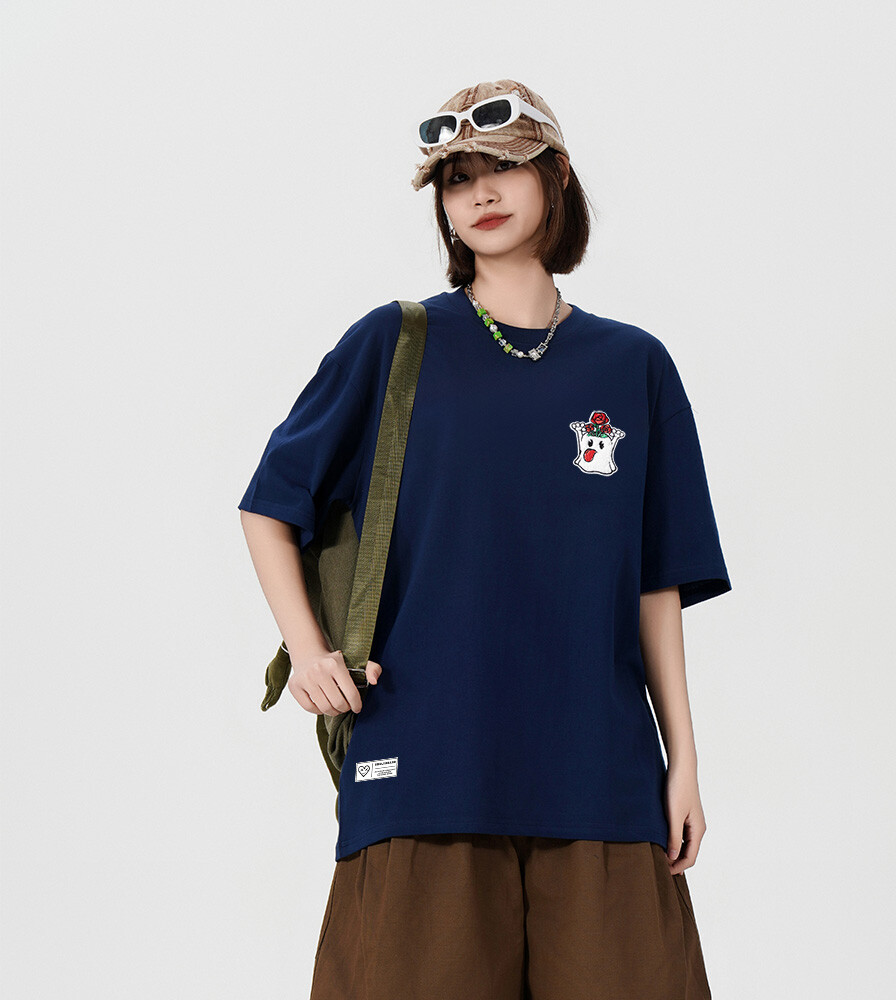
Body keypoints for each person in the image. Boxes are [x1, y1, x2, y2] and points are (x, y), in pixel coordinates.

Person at [238, 78, 732, 1000]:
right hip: (427, 766)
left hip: (601, 771)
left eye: (504, 168)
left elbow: (655, 584)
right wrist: (307, 653)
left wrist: (683, 765)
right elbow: (271, 503)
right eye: (458, 179)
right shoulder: (395, 342)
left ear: (557, 177)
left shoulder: (634, 365)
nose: (481, 194)